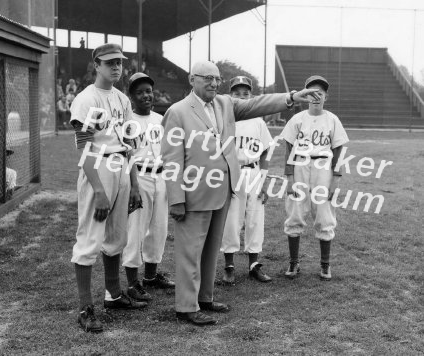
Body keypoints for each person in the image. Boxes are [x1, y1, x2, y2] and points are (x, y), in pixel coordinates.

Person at [160, 61, 320, 326]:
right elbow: (171, 159)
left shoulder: (225, 104)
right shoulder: (177, 112)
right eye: (207, 78)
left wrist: (291, 97)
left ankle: (205, 298)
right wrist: (176, 199)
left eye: (217, 79)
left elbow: (257, 104)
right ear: (192, 79)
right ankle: (186, 307)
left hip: (223, 190)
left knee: (211, 249)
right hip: (192, 194)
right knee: (190, 251)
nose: (213, 83)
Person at [69, 43, 147, 333]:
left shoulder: (122, 100)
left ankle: (113, 294)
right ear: (96, 65)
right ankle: (85, 307)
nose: (116, 67)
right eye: (110, 62)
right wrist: (99, 190)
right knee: (90, 237)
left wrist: (134, 183)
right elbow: (85, 149)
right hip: (98, 167)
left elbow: (128, 146)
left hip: (121, 167)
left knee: (117, 236)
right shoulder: (86, 99)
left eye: (120, 62)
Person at [279, 75, 349, 281]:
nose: (316, 96)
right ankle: (294, 263)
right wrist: (289, 178)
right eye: (312, 93)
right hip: (300, 164)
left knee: (325, 214)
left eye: (321, 93)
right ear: (306, 96)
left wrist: (336, 179)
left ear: (327, 96)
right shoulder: (297, 119)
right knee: (295, 213)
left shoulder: (332, 119)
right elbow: (289, 150)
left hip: (323, 167)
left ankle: (325, 265)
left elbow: (339, 151)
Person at [117, 72, 175, 303]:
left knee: (159, 228)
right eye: (139, 92)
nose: (146, 95)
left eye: (148, 91)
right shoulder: (126, 122)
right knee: (136, 230)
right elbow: (125, 155)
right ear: (131, 96)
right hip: (138, 176)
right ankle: (132, 283)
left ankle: (150, 277)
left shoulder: (161, 119)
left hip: (160, 176)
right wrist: (132, 185)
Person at [220, 76, 274, 285]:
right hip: (232, 172)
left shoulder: (258, 121)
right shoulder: (226, 119)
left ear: (251, 96)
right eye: (237, 93)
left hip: (253, 171)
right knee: (232, 220)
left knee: (255, 218)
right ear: (230, 95)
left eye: (246, 93)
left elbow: (266, 152)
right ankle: (229, 265)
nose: (241, 97)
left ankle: (254, 265)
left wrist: (264, 180)